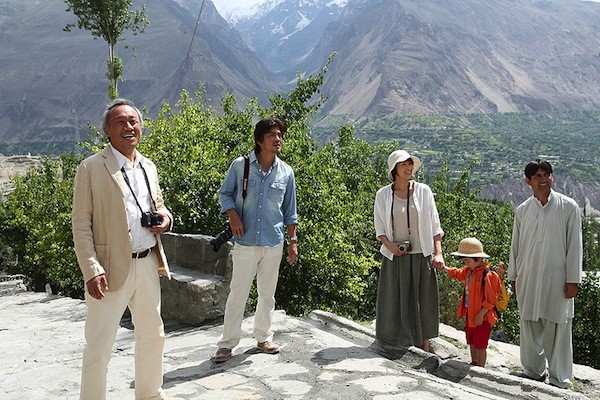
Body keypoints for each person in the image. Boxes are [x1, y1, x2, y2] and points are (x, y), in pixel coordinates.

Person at [72, 98, 173, 400]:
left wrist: (166, 219)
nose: (129, 126)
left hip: (147, 264)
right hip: (109, 267)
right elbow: (81, 225)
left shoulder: (148, 166)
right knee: (99, 346)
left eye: (133, 121)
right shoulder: (90, 168)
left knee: (152, 336)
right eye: (121, 122)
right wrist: (91, 268)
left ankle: (150, 394)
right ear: (107, 131)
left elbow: (159, 206)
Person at [213, 118, 298, 363]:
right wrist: (233, 216)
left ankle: (263, 337)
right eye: (272, 134)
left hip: (274, 241)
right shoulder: (241, 166)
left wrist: (293, 240)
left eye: (280, 134)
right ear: (260, 140)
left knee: (267, 293)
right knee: (238, 293)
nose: (278, 138)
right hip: (245, 241)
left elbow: (290, 210)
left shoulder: (286, 172)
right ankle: (227, 344)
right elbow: (225, 193)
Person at [508, 159, 582, 389]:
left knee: (558, 327)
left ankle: (559, 379)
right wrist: (514, 277)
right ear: (527, 181)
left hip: (558, 280)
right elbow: (516, 247)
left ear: (552, 177)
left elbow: (575, 245)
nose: (543, 180)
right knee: (529, 325)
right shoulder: (522, 210)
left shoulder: (568, 207)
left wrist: (573, 279)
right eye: (537, 176)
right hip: (528, 277)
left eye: (546, 174)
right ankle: (532, 371)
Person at [374, 149, 445, 352]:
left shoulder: (424, 191)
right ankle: (395, 342)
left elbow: (434, 225)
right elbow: (380, 229)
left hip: (421, 254)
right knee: (395, 300)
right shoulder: (383, 195)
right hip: (395, 255)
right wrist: (391, 247)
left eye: (410, 164)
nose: (408, 168)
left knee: (423, 300)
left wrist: (438, 253)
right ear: (394, 168)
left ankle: (424, 347)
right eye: (403, 164)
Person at [442, 238, 501, 367]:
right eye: (464, 261)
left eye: (467, 261)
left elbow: (491, 299)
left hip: (482, 317)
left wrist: (481, 314)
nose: (466, 264)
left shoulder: (489, 275)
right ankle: (474, 364)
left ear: (478, 259)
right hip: (470, 313)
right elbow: (457, 273)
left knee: (481, 344)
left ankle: (480, 368)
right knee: (472, 341)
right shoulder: (469, 271)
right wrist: (444, 268)